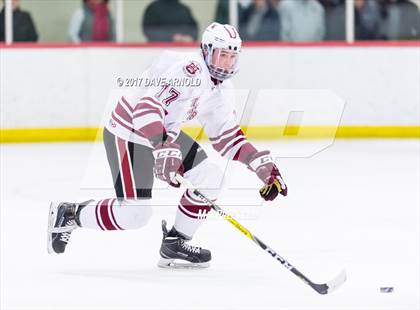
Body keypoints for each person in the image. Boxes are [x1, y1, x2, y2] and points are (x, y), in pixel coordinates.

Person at [47, 22, 288, 269]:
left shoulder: (222, 90)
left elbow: (226, 136)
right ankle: (70, 214)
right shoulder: (189, 71)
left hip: (164, 133)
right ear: (206, 51)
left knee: (211, 178)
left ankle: (175, 242)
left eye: (231, 56)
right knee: (134, 215)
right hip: (130, 131)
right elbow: (146, 109)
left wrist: (258, 162)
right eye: (221, 54)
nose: (226, 63)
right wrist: (162, 145)